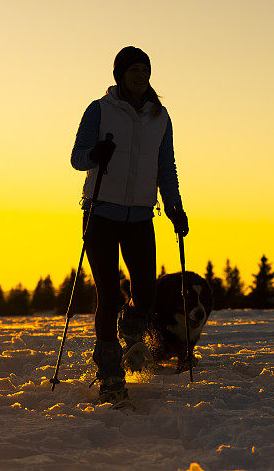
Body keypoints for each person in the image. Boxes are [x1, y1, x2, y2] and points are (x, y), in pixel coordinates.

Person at [71, 46, 189, 405]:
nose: (141, 75)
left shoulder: (160, 116)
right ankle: (109, 375)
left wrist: (175, 207)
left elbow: (165, 167)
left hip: (140, 216)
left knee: (146, 291)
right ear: (119, 74)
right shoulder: (100, 110)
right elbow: (78, 158)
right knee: (108, 294)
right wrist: (96, 155)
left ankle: (131, 330)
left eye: (145, 69)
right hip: (101, 214)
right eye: (134, 69)